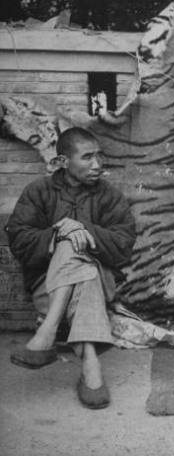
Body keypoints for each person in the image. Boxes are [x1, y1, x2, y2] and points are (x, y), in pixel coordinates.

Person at [6, 127, 136, 409]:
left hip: (102, 281)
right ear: (64, 162)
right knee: (69, 247)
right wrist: (58, 233)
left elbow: (124, 242)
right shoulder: (39, 191)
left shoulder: (109, 196)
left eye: (99, 156)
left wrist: (80, 229)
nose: (98, 164)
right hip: (48, 285)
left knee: (75, 246)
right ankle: (91, 367)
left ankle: (46, 333)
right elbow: (18, 238)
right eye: (87, 157)